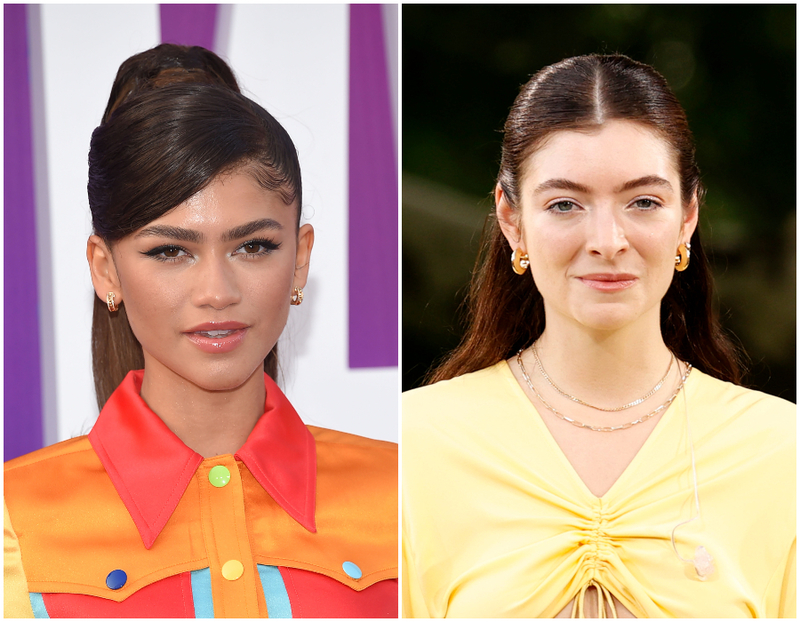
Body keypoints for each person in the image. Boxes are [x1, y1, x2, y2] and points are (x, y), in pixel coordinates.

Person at [5, 44, 397, 618]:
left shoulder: (404, 491)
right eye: (170, 251)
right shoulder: (13, 519)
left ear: (301, 258)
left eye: (253, 246)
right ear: (105, 268)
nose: (217, 291)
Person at [402, 54, 795, 618]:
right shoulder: (418, 443)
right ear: (512, 220)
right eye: (565, 204)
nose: (607, 240)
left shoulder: (780, 451)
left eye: (643, 202)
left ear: (687, 217)